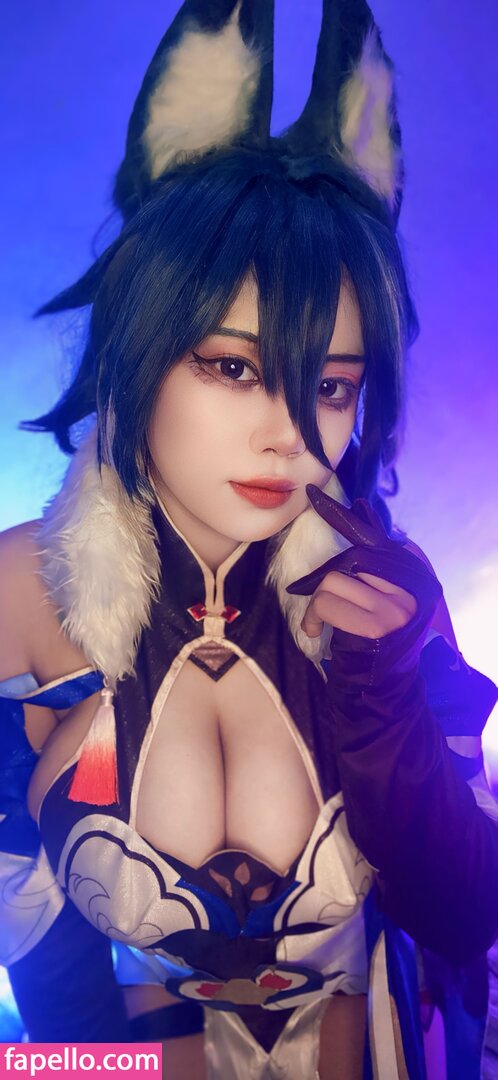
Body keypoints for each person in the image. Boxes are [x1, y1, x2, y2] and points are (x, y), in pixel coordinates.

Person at [1, 0, 497, 1076]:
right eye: (231, 367)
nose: (291, 434)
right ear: (138, 348)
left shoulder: (386, 592)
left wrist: (381, 700)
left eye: (331, 386)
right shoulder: (23, 588)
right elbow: (23, 926)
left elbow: (465, 914)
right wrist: (98, 1066)